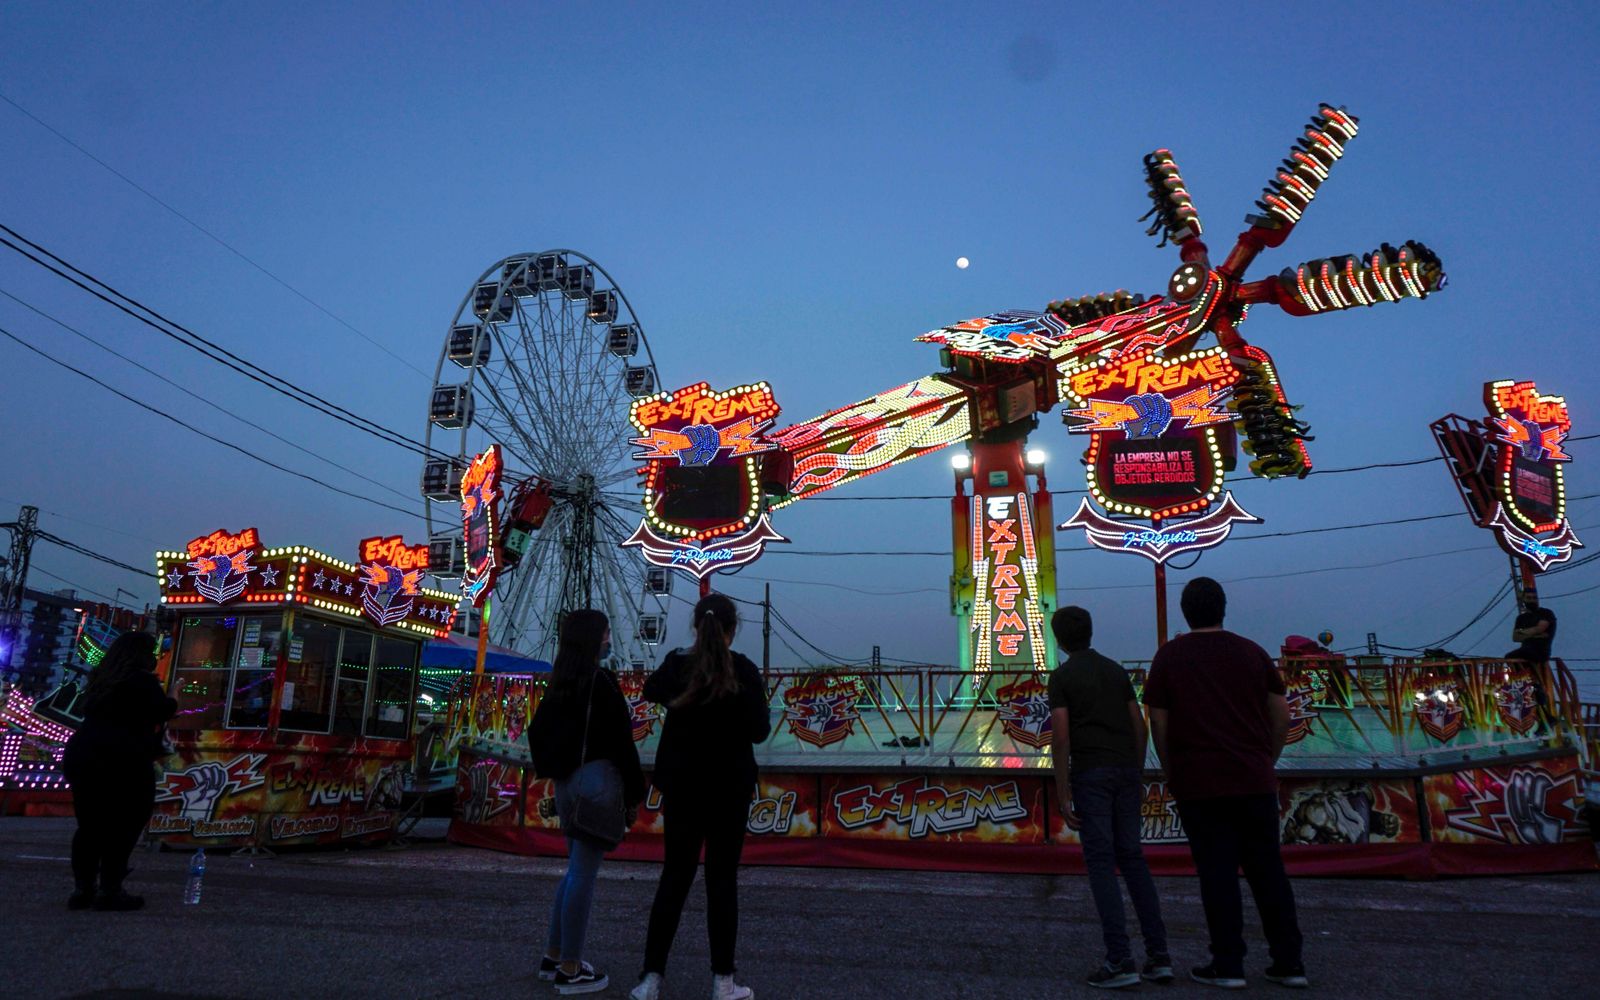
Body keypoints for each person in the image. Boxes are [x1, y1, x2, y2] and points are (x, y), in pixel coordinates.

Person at [1142, 577, 1308, 990]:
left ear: (1186, 611)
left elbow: (1158, 723)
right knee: (1268, 871)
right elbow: (1282, 716)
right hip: (1254, 780)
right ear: (1223, 608)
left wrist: (1170, 769)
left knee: (1216, 874)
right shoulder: (1252, 653)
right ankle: (1289, 963)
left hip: (1200, 783)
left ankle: (1228, 964)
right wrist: (1265, 760)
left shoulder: (1170, 657)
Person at [631, 593, 772, 1000]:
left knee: (674, 878)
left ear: (697, 627)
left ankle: (650, 979)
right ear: (733, 629)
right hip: (729, 790)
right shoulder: (742, 669)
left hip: (683, 789)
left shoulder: (678, 664)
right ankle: (723, 981)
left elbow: (650, 689)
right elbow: (760, 731)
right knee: (722, 882)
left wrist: (681, 657)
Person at [1047, 606, 1171, 989]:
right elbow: (1139, 723)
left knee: (1101, 865)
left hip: (1091, 775)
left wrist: (1063, 791)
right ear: (1090, 632)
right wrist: (1135, 769)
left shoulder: (1062, 676)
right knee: (1133, 859)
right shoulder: (1116, 670)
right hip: (1125, 773)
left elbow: (1062, 737)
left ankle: (1119, 959)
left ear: (1059, 638)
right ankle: (1159, 956)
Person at [527, 609, 646, 996]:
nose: (610, 639)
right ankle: (571, 967)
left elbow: (537, 732)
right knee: (583, 875)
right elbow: (623, 745)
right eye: (607, 633)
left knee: (574, 871)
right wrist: (635, 792)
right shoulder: (602, 683)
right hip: (596, 786)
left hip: (567, 787)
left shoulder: (561, 684)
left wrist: (559, 769)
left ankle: (553, 954)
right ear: (594, 639)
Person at [60, 630, 176, 911]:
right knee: (126, 822)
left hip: (84, 753)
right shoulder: (142, 681)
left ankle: (83, 888)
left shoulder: (101, 679)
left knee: (89, 826)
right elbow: (163, 710)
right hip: (124, 758)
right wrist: (175, 694)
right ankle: (110, 888)